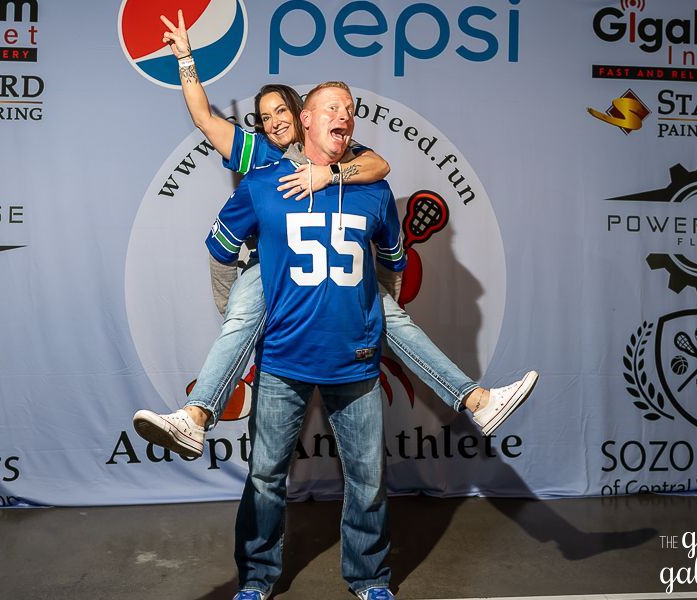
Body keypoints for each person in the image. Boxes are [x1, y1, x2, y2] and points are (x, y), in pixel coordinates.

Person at [132, 10, 538, 459]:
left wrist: (328, 176)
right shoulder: (260, 154)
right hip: (274, 265)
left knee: (391, 318)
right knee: (242, 317)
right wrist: (186, 59)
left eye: (280, 111)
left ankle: (476, 401)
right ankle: (195, 416)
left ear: (300, 114)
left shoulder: (339, 149)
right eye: (264, 117)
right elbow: (205, 119)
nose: (273, 122)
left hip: (333, 266)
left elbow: (380, 166)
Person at [213, 80, 401, 600]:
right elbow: (220, 248)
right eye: (334, 107)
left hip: (356, 363)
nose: (346, 115)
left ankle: (369, 578)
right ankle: (255, 579)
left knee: (367, 479)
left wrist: (373, 318)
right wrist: (236, 317)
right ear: (307, 119)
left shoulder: (373, 188)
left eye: (352, 109)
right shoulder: (262, 183)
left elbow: (393, 264)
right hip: (281, 360)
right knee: (265, 477)